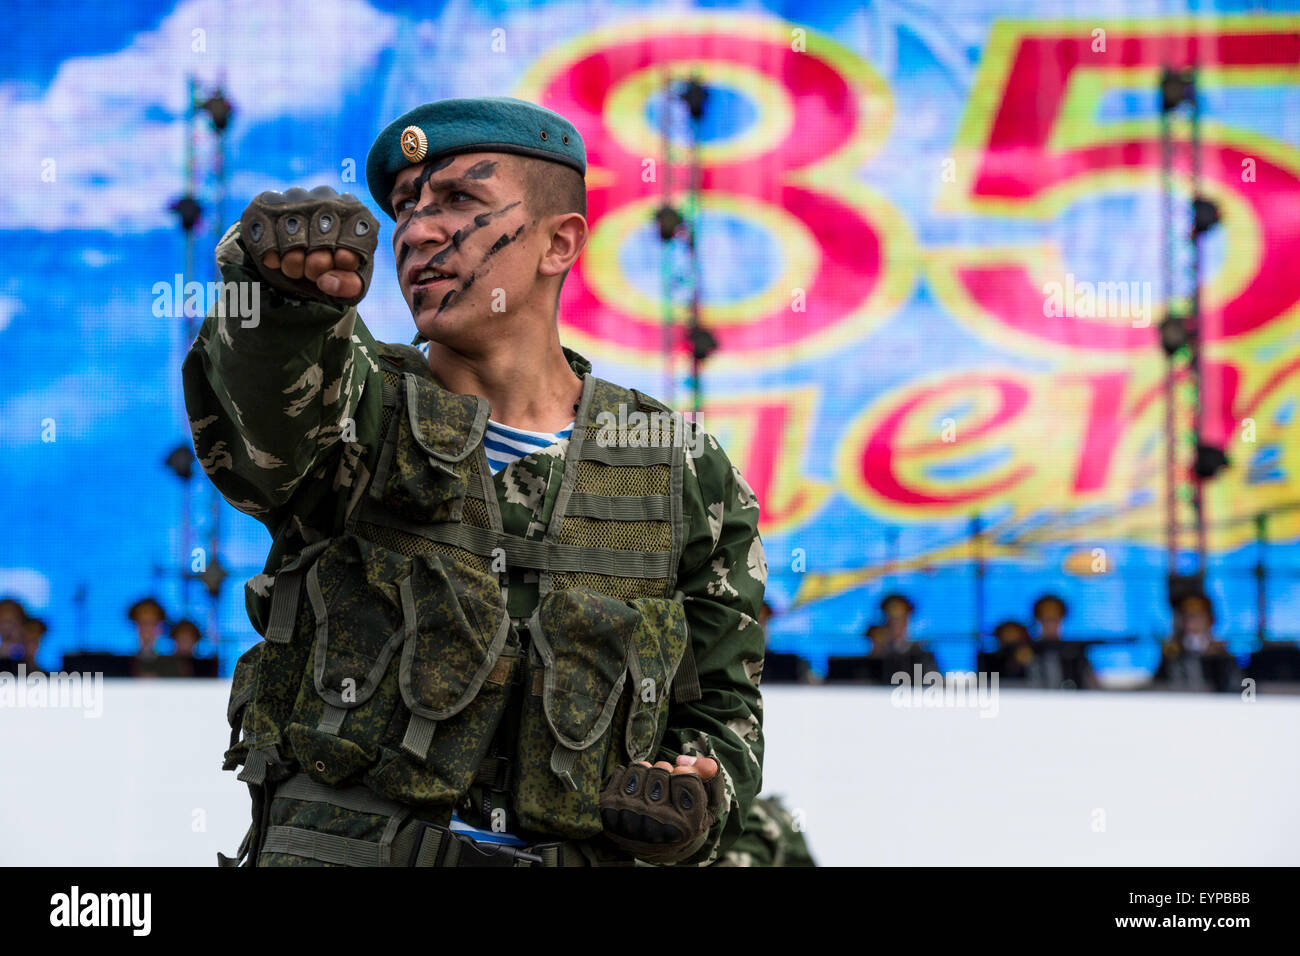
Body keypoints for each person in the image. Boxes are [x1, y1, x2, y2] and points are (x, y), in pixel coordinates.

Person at [183, 96, 766, 867]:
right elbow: (262, 413)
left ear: (560, 243)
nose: (418, 229)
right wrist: (277, 298)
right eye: (403, 208)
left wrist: (694, 791)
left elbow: (724, 711)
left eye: (459, 200)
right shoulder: (362, 403)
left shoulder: (681, 468)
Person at [1154, 593, 1241, 693]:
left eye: (1199, 616)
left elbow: (1234, 686)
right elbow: (1160, 686)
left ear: (1211, 620)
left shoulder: (1222, 653)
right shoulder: (1172, 654)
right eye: (1188, 617)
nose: (1193, 622)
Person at [1027, 594, 1097, 690]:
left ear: (1062, 616)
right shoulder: (1027, 651)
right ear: (1038, 617)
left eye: (1055, 615)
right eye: (1046, 615)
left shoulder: (1074, 652)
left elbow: (1092, 688)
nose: (1051, 616)